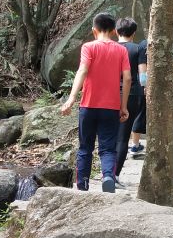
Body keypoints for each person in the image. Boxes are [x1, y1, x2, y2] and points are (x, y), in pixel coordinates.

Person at [60, 12, 130, 193]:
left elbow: (82, 70)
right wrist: (123, 106)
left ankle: (82, 184)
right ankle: (108, 176)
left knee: (85, 148)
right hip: (111, 107)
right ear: (114, 31)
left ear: (94, 30)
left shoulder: (88, 47)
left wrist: (71, 98)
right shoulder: (121, 50)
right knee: (108, 148)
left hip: (88, 106)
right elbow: (128, 79)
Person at [113, 18, 145, 180]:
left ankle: (107, 171)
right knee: (123, 137)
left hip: (109, 95)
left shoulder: (109, 48)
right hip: (132, 94)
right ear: (133, 33)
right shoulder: (137, 48)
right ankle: (114, 175)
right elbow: (143, 77)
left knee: (109, 134)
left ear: (116, 32)